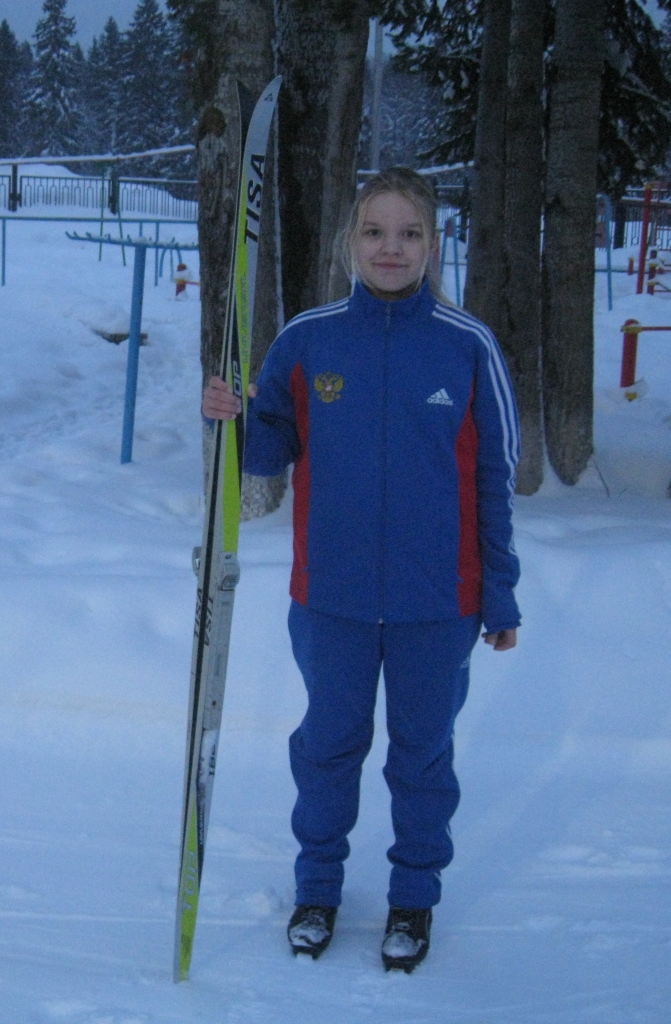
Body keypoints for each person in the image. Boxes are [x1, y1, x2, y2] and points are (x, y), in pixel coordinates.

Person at [202, 167, 521, 973]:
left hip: (436, 604)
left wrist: (499, 596)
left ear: (433, 244)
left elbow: (492, 481)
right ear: (351, 241)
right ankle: (317, 891)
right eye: (375, 232)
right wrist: (230, 420)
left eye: (409, 233)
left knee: (422, 756)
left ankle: (412, 899)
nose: (390, 248)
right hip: (330, 599)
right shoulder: (308, 339)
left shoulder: (466, 345)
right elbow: (266, 454)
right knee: (326, 748)